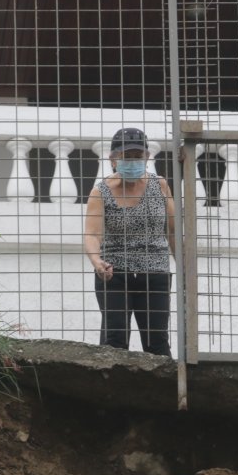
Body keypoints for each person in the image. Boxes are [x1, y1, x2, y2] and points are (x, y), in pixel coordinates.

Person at [83, 127, 176, 356]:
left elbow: (173, 230)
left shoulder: (160, 185)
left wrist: (184, 266)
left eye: (138, 156)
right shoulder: (100, 192)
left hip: (155, 272)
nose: (133, 161)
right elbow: (92, 234)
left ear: (147, 157)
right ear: (113, 160)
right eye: (127, 156)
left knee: (157, 340)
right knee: (114, 339)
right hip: (114, 272)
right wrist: (97, 261)